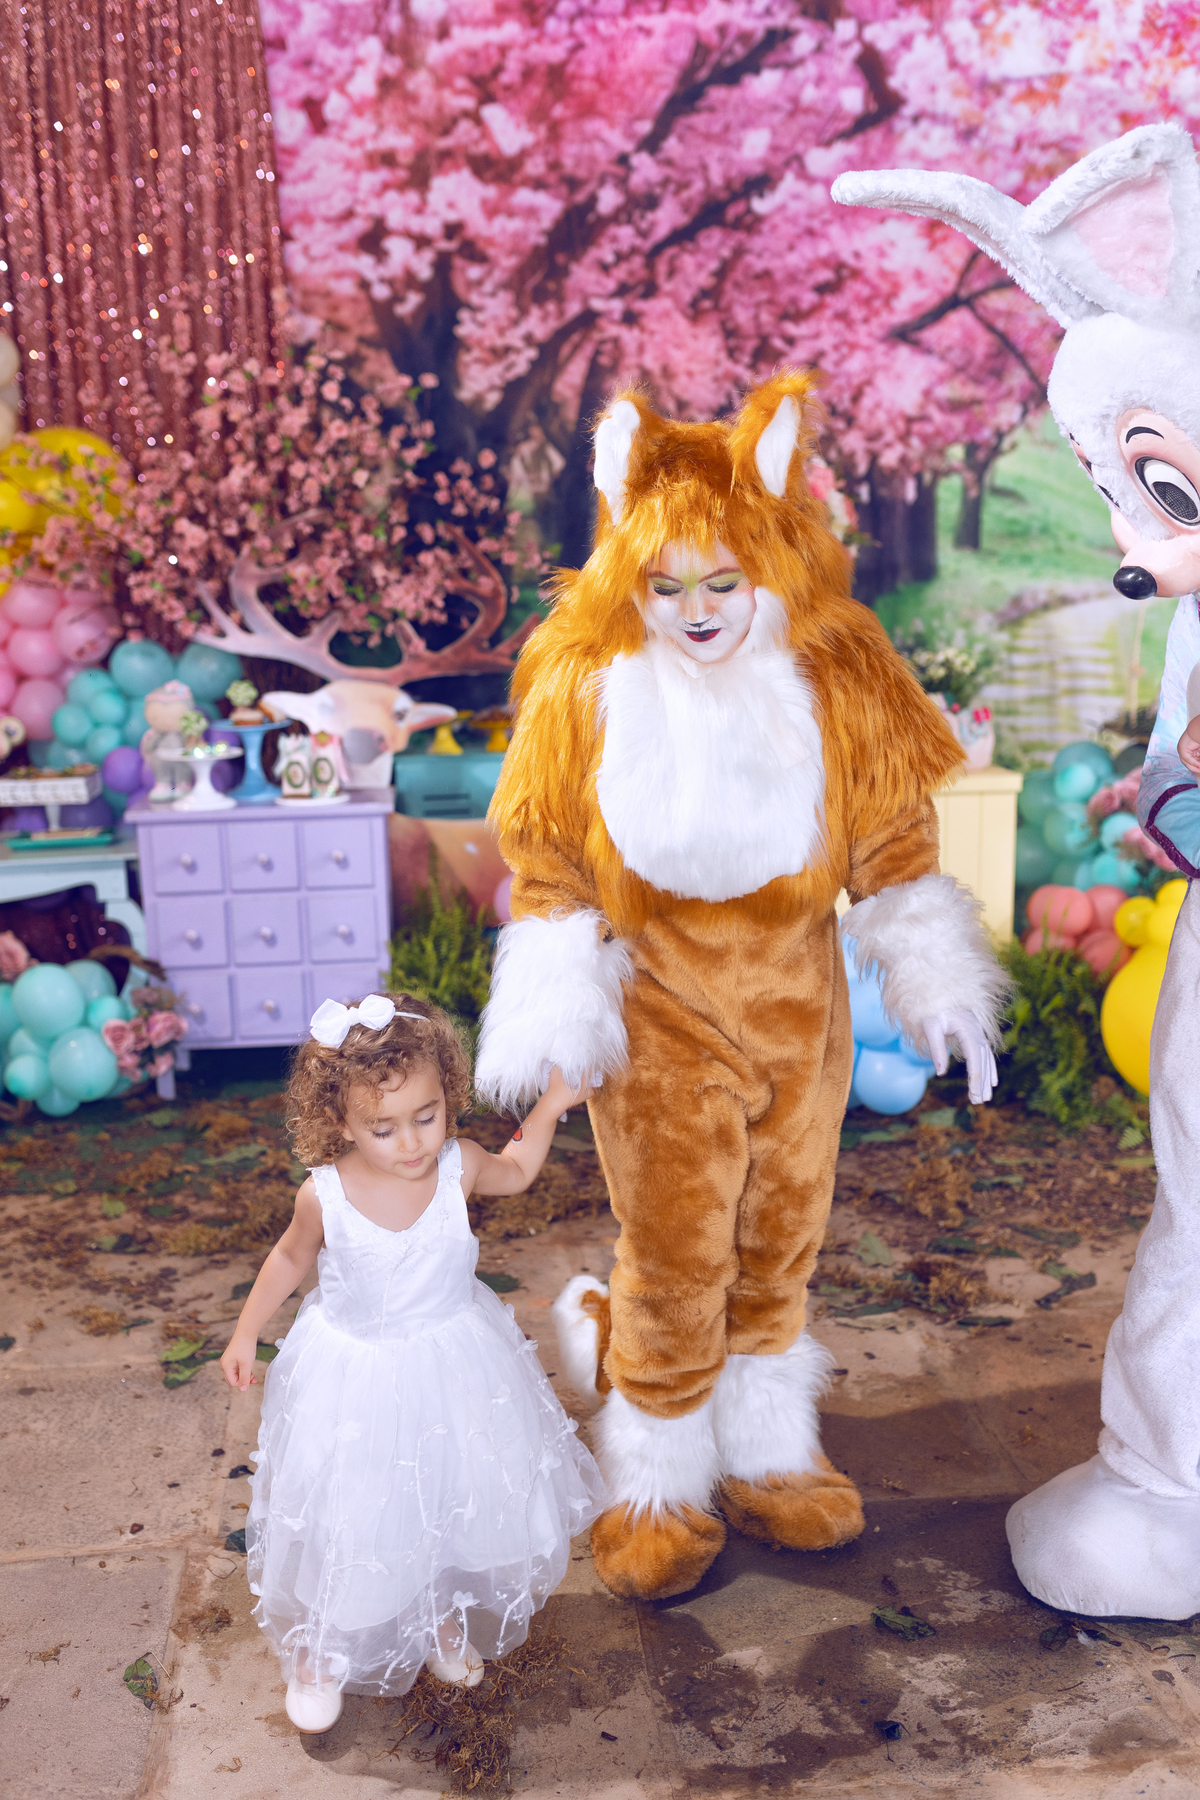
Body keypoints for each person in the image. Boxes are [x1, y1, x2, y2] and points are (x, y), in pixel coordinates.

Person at [220, 992, 606, 1734]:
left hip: (452, 1368)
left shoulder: (459, 1168)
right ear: (341, 1122)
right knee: (354, 1511)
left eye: (426, 1117)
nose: (410, 1143)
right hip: (354, 1382)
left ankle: (438, 1613)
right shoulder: (325, 1195)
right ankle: (321, 1648)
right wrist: (245, 1333)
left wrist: (552, 1104)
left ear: (447, 1098)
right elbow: (290, 1258)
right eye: (383, 1128)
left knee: (446, 1493)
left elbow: (517, 1168)